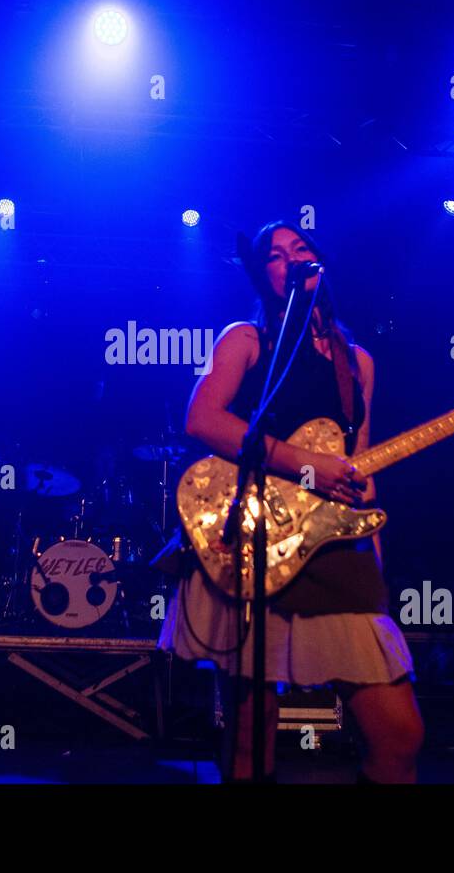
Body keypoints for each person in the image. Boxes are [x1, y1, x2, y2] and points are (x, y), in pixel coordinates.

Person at [159, 221, 424, 782]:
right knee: (250, 738)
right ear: (264, 275)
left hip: (335, 549)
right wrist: (305, 466)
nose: (290, 260)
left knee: (399, 734)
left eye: (300, 249)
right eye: (276, 256)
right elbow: (202, 418)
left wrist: (374, 562)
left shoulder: (358, 363)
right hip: (258, 539)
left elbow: (360, 469)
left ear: (320, 264)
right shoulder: (245, 340)